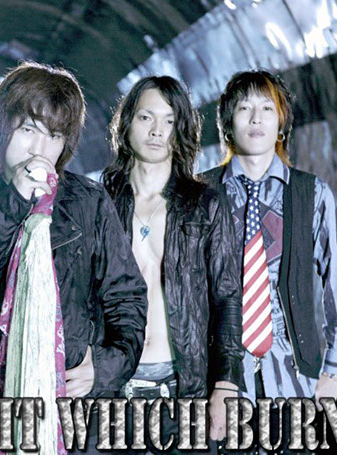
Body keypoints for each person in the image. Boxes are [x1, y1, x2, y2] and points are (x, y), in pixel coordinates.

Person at [0, 61, 148, 453]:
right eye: (28, 129)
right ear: (2, 127)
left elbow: (127, 296)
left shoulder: (89, 201)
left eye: (54, 135)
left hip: (67, 407)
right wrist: (14, 199)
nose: (39, 148)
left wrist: (104, 368)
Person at [202, 69, 337, 452]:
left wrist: (334, 373)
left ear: (281, 122)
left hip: (294, 381)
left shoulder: (312, 195)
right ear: (227, 123)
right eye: (245, 108)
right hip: (219, 384)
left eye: (267, 108)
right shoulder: (202, 193)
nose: (256, 118)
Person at [102, 76, 244, 452]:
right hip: (115, 390)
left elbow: (227, 296)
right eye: (146, 117)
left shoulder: (207, 205)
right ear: (126, 124)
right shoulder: (101, 203)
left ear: (181, 129)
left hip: (183, 390)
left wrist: (226, 383)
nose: (157, 131)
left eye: (169, 120)